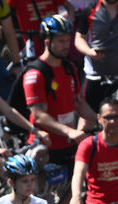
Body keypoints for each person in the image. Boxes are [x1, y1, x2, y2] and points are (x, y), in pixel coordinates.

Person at [25, 17, 98, 162]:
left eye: (67, 40)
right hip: (45, 147)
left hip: (70, 142)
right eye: (61, 41)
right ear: (47, 42)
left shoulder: (69, 67)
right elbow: (39, 115)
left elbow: (78, 103)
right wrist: (70, 131)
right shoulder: (35, 74)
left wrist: (101, 121)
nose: (66, 45)